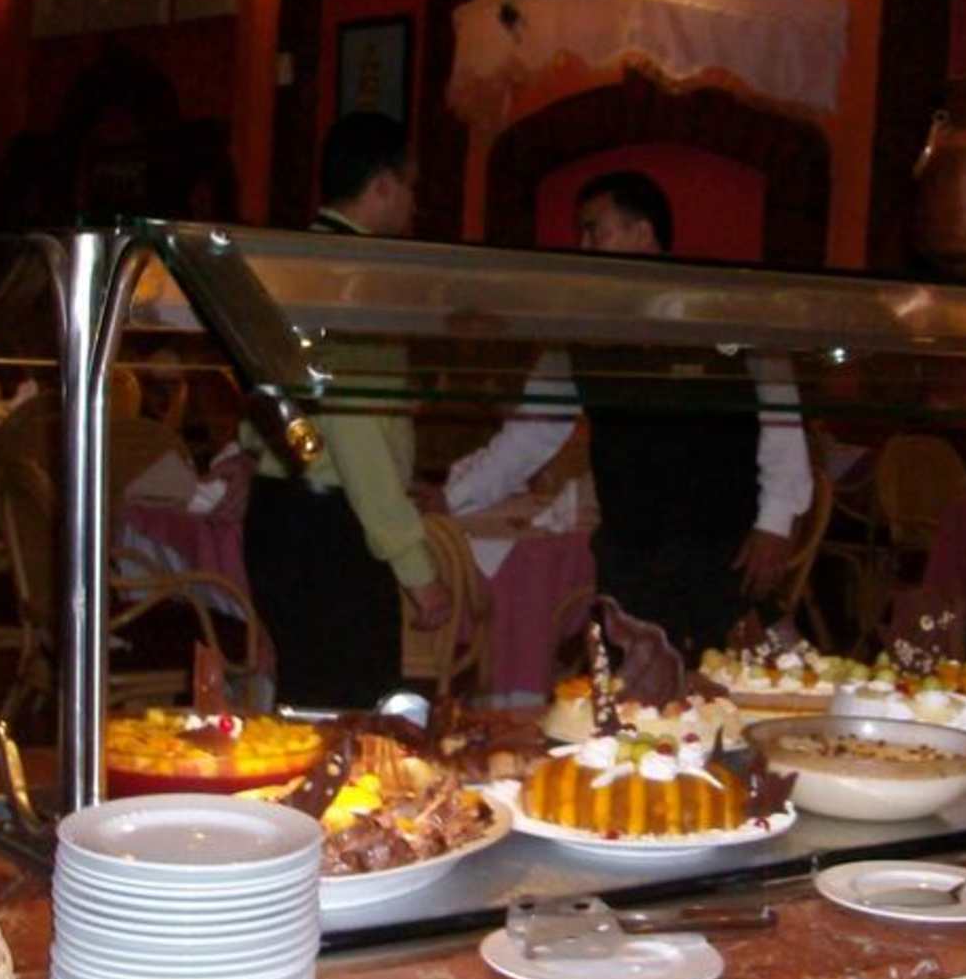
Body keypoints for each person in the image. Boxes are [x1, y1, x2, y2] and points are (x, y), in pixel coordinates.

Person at [444, 170, 811, 657]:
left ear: (642, 233)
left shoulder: (721, 309)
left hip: (720, 545)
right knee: (636, 690)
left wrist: (776, 520)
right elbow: (531, 432)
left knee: (731, 684)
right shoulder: (583, 328)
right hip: (631, 550)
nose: (583, 246)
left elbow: (780, 414)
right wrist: (453, 498)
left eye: (594, 230)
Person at [241, 113, 449, 708]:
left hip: (277, 511)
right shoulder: (355, 279)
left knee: (308, 704)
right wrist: (416, 568)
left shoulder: (291, 263)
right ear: (382, 185)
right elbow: (357, 435)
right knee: (352, 718)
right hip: (329, 532)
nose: (414, 204)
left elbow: (257, 419)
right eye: (410, 186)